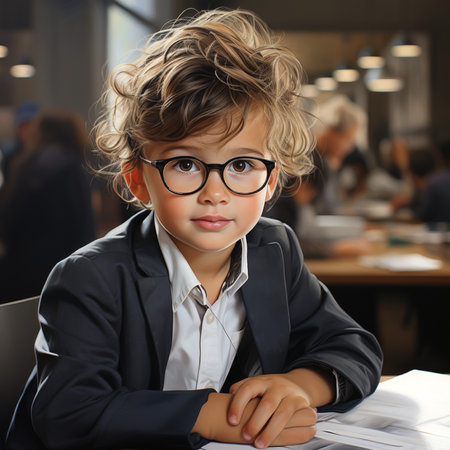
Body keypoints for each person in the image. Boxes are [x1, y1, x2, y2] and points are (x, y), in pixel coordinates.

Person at [5, 9, 382, 450]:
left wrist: (299, 386)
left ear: (271, 179)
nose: (215, 193)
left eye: (241, 165)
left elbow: (354, 346)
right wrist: (209, 412)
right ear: (136, 179)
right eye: (186, 164)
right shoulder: (91, 277)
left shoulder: (274, 249)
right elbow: (68, 412)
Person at [0, 108, 96, 303]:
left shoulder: (24, 164)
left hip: (20, 270)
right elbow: (83, 225)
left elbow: (9, 219)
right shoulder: (70, 166)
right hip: (61, 272)